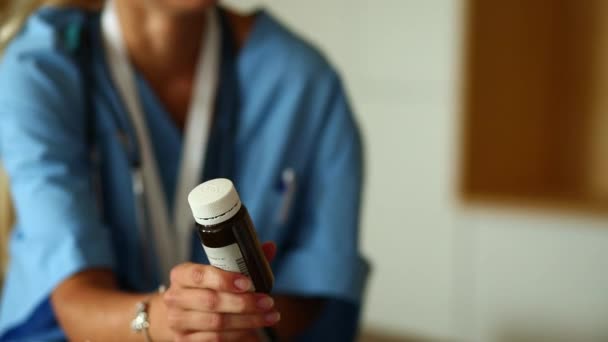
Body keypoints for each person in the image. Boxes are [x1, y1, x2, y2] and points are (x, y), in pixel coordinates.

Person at [0, 0, 367, 341]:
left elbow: (321, 291)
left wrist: (238, 320)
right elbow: (76, 304)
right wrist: (164, 320)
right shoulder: (40, 71)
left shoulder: (303, 81)